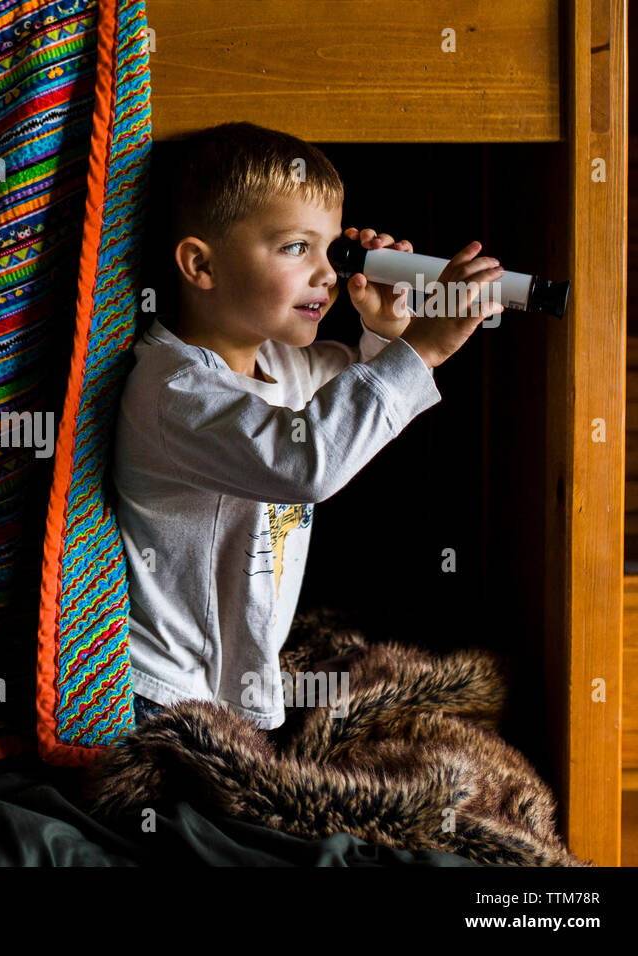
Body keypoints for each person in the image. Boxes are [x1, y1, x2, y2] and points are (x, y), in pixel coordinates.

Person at [115, 121, 504, 729]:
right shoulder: (173, 390)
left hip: (233, 684)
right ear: (201, 265)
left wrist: (386, 331)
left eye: (332, 251)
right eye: (296, 248)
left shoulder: (281, 363)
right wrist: (421, 350)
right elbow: (307, 463)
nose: (326, 274)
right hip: (158, 696)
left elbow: (357, 406)